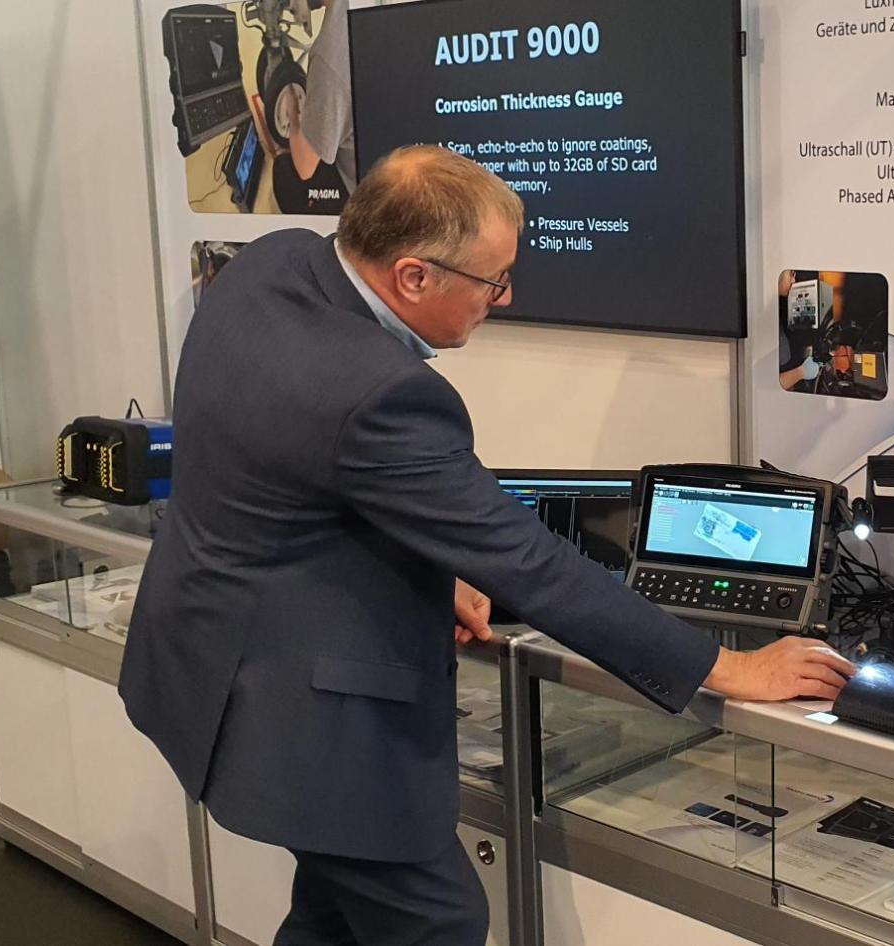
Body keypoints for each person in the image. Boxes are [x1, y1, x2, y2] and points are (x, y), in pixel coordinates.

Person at [121, 145, 854, 946]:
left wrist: (431, 564)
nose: (504, 298)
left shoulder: (274, 264)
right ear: (413, 276)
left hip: (202, 651)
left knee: (332, 916)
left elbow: (288, 471)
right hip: (298, 715)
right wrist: (724, 667)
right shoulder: (379, 393)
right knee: (440, 921)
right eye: (493, 280)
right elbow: (532, 566)